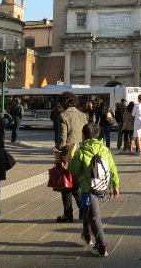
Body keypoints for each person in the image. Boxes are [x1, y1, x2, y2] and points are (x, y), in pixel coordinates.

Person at [69, 123, 120, 257]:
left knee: (94, 215)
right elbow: (112, 167)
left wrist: (72, 158)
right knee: (86, 209)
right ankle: (87, 234)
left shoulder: (81, 151)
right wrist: (116, 185)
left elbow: (74, 170)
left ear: (84, 135)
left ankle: (102, 245)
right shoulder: (104, 149)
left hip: (88, 187)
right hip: (102, 184)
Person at [55, 91, 85, 222]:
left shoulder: (63, 116)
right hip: (81, 152)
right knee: (77, 184)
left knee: (66, 185)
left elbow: (62, 139)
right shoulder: (83, 115)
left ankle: (68, 214)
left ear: (64, 102)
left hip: (68, 153)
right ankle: (83, 211)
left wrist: (58, 152)